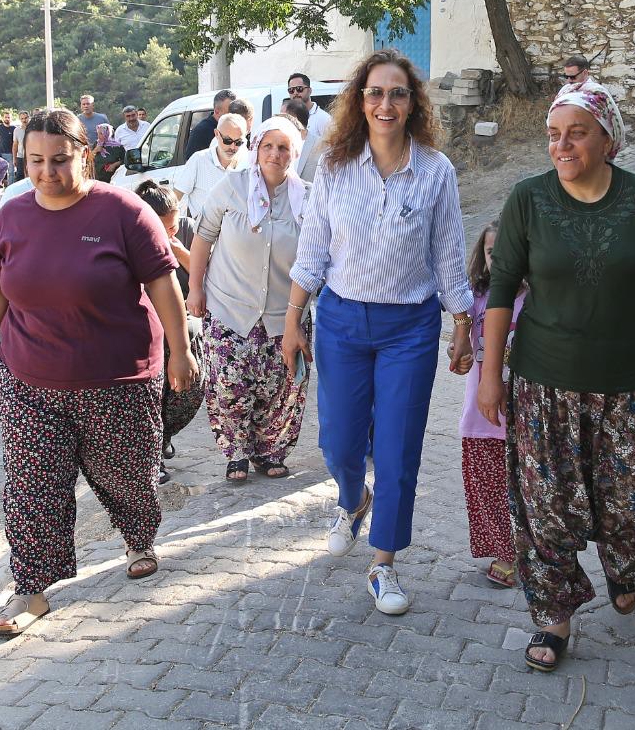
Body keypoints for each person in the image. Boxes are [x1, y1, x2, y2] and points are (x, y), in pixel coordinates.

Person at [477, 81, 635, 672]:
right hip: (542, 382)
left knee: (629, 504)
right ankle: (553, 617)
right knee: (545, 506)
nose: (563, 145)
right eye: (554, 134)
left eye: (577, 133)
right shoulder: (527, 199)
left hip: (626, 385)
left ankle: (623, 567)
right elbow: (501, 290)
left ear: (607, 137)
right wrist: (489, 375)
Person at [0, 108, 195, 638]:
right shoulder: (11, 216)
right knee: (32, 485)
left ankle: (139, 536)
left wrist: (180, 352)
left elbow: (165, 286)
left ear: (84, 155)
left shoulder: (124, 212)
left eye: (60, 160)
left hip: (118, 378)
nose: (47, 171)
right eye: (36, 160)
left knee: (128, 478)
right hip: (30, 379)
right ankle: (32, 587)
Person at [282, 49, 473, 616]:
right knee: (338, 442)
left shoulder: (437, 171)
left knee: (397, 452)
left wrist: (462, 322)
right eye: (374, 93)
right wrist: (293, 318)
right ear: (358, 102)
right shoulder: (335, 166)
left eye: (397, 93)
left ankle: (383, 563)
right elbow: (313, 249)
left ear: (413, 103)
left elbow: (448, 259)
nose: (385, 103)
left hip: (409, 329)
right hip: (341, 322)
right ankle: (351, 499)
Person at [189, 116, 309, 483]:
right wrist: (195, 288)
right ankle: (237, 452)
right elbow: (204, 237)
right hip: (229, 306)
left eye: (283, 147)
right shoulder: (232, 186)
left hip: (283, 314)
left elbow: (318, 254)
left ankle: (271, 450)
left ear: (295, 153)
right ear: (256, 148)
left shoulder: (307, 196)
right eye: (268, 146)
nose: (274, 153)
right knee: (229, 385)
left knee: (282, 386)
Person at [450, 223, 525, 589]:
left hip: (527, 416)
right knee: (486, 488)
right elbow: (458, 345)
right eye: (493, 252)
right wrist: (458, 353)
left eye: (509, 250)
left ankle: (535, 551)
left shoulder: (537, 299)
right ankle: (503, 552)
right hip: (481, 417)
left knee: (531, 490)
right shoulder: (474, 299)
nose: (500, 258)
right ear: (484, 255)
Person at [134, 179, 205, 485]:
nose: (171, 232)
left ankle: (163, 435)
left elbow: (207, 274)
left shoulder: (186, 231)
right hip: (143, 334)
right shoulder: (131, 235)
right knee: (149, 399)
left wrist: (180, 251)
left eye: (174, 225)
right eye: (165, 228)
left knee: (190, 392)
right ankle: (152, 456)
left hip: (184, 332)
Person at [176, 112, 250, 218]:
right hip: (200, 231)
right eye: (227, 141)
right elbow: (176, 196)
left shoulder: (248, 163)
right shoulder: (199, 160)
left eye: (238, 142)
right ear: (216, 134)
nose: (233, 147)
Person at [287, 72, 334, 182]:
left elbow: (332, 152)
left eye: (299, 89)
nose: (295, 93)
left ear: (310, 90)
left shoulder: (324, 119)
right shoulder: (288, 119)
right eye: (291, 90)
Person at [185, 89, 238, 158]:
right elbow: (191, 162)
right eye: (229, 112)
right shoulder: (201, 132)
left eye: (235, 112)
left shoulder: (238, 128)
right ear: (217, 111)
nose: (234, 116)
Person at [12, 110, 29, 180]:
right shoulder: (17, 130)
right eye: (22, 118)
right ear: (20, 119)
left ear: (28, 117)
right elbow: (15, 145)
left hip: (31, 156)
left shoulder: (33, 129)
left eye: (25, 118)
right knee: (19, 176)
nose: (24, 120)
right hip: (20, 156)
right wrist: (14, 158)